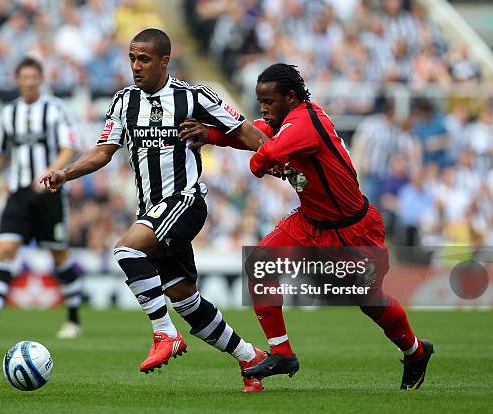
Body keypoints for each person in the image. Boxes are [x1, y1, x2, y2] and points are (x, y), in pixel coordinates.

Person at [39, 28, 268, 392]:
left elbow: (246, 134)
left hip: (185, 201)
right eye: (131, 58)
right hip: (152, 211)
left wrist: (282, 159)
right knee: (185, 299)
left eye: (143, 58)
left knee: (126, 249)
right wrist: (65, 173)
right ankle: (250, 358)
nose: (135, 66)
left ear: (164, 61)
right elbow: (103, 151)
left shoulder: (195, 96)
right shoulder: (123, 101)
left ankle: (165, 334)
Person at [179, 63, 434, 390]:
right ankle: (282, 352)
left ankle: (415, 351)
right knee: (260, 263)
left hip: (352, 228)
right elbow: (255, 134)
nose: (264, 108)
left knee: (370, 301)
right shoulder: (286, 121)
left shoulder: (305, 123)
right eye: (260, 100)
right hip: (311, 219)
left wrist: (264, 159)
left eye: (269, 100)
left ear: (290, 96)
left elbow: (262, 156)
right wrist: (212, 134)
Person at [0, 57, 85, 339]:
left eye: (33, 76)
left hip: (49, 192)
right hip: (18, 192)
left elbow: (70, 147)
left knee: (59, 254)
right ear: (17, 80)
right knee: (4, 249)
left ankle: (74, 319)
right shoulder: (9, 113)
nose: (29, 81)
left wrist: (52, 171)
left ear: (41, 79)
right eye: (24, 77)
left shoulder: (55, 108)